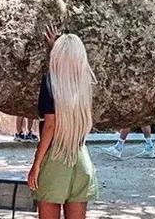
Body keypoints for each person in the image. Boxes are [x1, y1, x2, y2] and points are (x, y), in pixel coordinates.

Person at [28, 33, 98, 219]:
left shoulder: (50, 82)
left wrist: (36, 163)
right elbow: (68, 78)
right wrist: (57, 48)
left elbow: (51, 125)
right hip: (81, 159)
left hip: (55, 160)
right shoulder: (84, 85)